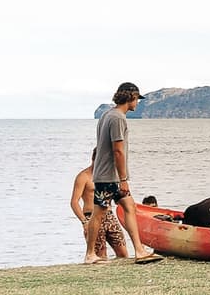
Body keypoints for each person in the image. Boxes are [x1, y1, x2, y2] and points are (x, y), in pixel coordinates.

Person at [94, 82, 160, 263]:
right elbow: (118, 150)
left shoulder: (106, 115)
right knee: (99, 213)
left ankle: (139, 250)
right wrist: (123, 179)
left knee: (129, 208)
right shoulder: (118, 118)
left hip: (106, 174)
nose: (138, 102)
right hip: (111, 176)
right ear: (130, 97)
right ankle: (90, 254)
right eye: (137, 99)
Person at [69, 155, 129, 263]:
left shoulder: (107, 176)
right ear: (94, 159)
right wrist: (84, 222)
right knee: (100, 256)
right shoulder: (84, 177)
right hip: (91, 216)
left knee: (123, 253)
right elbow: (74, 202)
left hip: (109, 215)